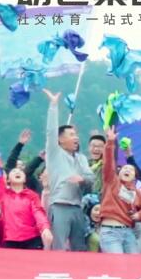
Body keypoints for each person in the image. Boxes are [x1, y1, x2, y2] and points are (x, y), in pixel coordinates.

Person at [44, 90, 97, 251]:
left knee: (79, 247)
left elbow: (91, 178)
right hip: (59, 206)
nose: (76, 138)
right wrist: (53, 106)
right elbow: (51, 132)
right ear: (60, 139)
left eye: (76, 135)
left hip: (77, 207)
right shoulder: (55, 153)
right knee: (59, 246)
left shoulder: (81, 158)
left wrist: (82, 179)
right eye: (71, 135)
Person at [0, 135, 53, 250]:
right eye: (14, 171)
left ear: (25, 179)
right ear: (8, 179)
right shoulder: (3, 193)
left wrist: (45, 228)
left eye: (20, 171)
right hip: (10, 239)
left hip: (32, 239)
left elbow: (38, 212)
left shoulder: (31, 195)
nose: (17, 172)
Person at [98, 127, 141, 253]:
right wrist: (110, 142)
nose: (127, 170)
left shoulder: (137, 193)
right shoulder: (111, 181)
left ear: (134, 177)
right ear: (119, 172)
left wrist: (139, 215)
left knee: (132, 264)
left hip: (129, 232)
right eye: (124, 168)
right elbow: (108, 163)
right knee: (117, 263)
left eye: (131, 170)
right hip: (110, 231)